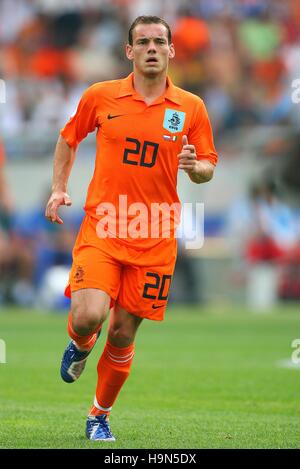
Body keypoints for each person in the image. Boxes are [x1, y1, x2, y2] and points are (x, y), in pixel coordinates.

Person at [45, 15, 218, 442]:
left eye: (160, 41)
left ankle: (98, 415)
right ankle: (81, 343)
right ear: (130, 51)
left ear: (172, 50)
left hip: (156, 234)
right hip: (104, 224)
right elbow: (69, 138)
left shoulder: (190, 107)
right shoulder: (100, 96)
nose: (152, 48)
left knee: (122, 332)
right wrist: (58, 189)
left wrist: (197, 168)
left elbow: (208, 165)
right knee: (88, 316)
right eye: (143, 42)